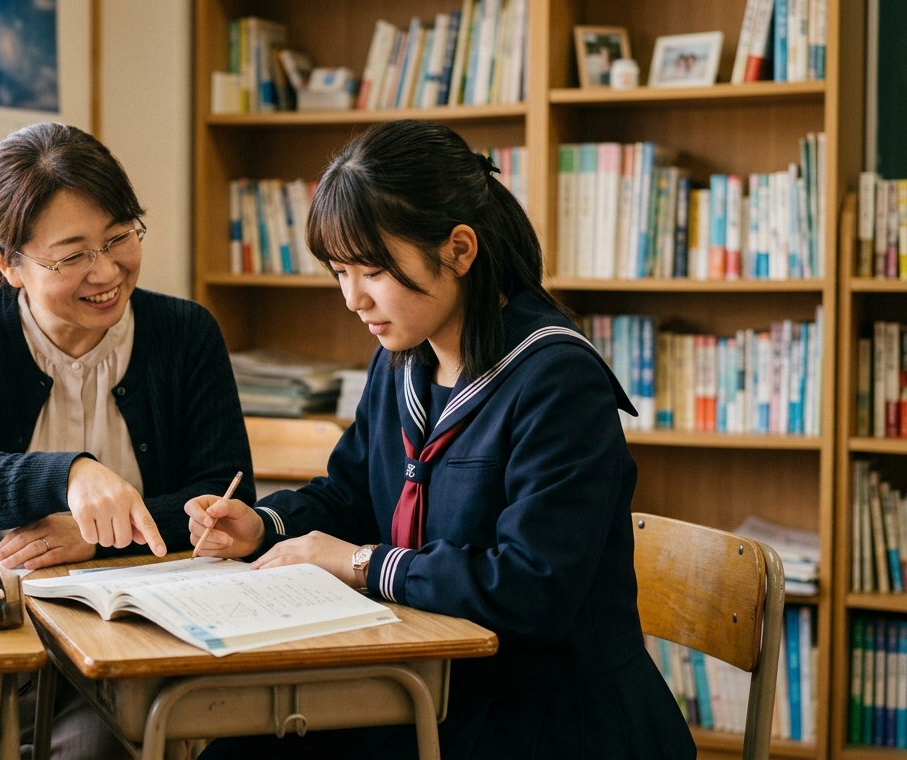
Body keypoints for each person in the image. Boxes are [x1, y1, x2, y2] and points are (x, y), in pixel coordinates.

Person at [187, 120, 694, 759]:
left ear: (459, 249)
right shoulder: (403, 359)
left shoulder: (559, 380)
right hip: (430, 682)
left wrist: (360, 563)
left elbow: (531, 586)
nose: (352, 299)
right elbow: (351, 494)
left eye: (372, 270)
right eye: (339, 272)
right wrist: (263, 525)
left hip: (550, 714)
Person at [0, 122, 254, 759]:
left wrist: (97, 535)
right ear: (8, 264)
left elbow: (223, 499)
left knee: (101, 744)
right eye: (72, 255)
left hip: (141, 629)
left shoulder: (185, 333)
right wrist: (70, 474)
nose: (106, 271)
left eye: (119, 237)